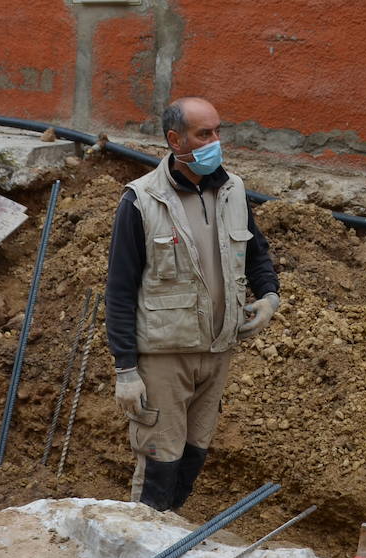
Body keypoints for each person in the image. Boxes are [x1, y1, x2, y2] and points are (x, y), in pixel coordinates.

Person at [104, 96, 279, 511]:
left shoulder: (234, 190)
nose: (215, 141)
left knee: (193, 456)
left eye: (218, 131)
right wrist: (125, 369)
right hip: (165, 358)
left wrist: (269, 297)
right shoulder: (142, 201)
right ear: (174, 139)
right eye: (204, 134)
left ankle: (169, 540)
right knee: (159, 465)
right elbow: (120, 288)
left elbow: (258, 254)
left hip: (217, 351)